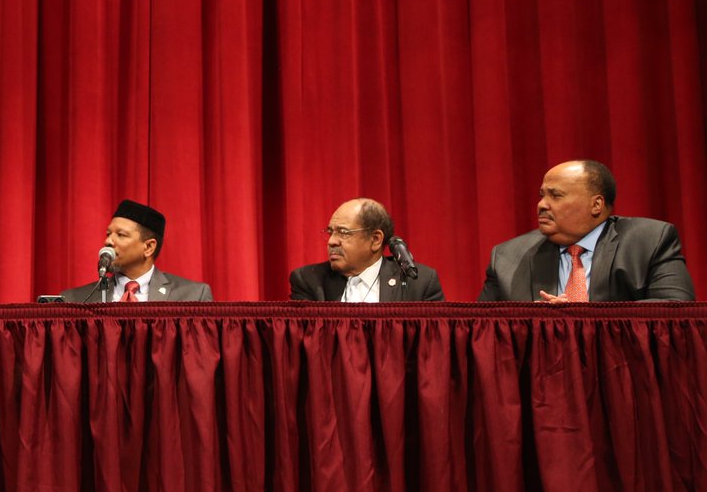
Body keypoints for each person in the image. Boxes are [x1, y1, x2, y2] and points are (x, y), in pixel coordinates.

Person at [478, 160, 695, 302]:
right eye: (542, 195)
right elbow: (483, 333)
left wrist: (581, 319)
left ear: (596, 205)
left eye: (556, 195)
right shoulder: (507, 258)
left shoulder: (649, 242)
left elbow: (675, 312)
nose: (542, 205)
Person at [289, 198, 444, 302]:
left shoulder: (418, 282)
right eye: (330, 232)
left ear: (375, 240)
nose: (332, 241)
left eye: (343, 233)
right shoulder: (309, 281)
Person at [60, 199, 213, 302]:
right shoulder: (75, 300)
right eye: (108, 234)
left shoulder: (193, 296)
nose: (108, 241)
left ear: (148, 247)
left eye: (121, 235)